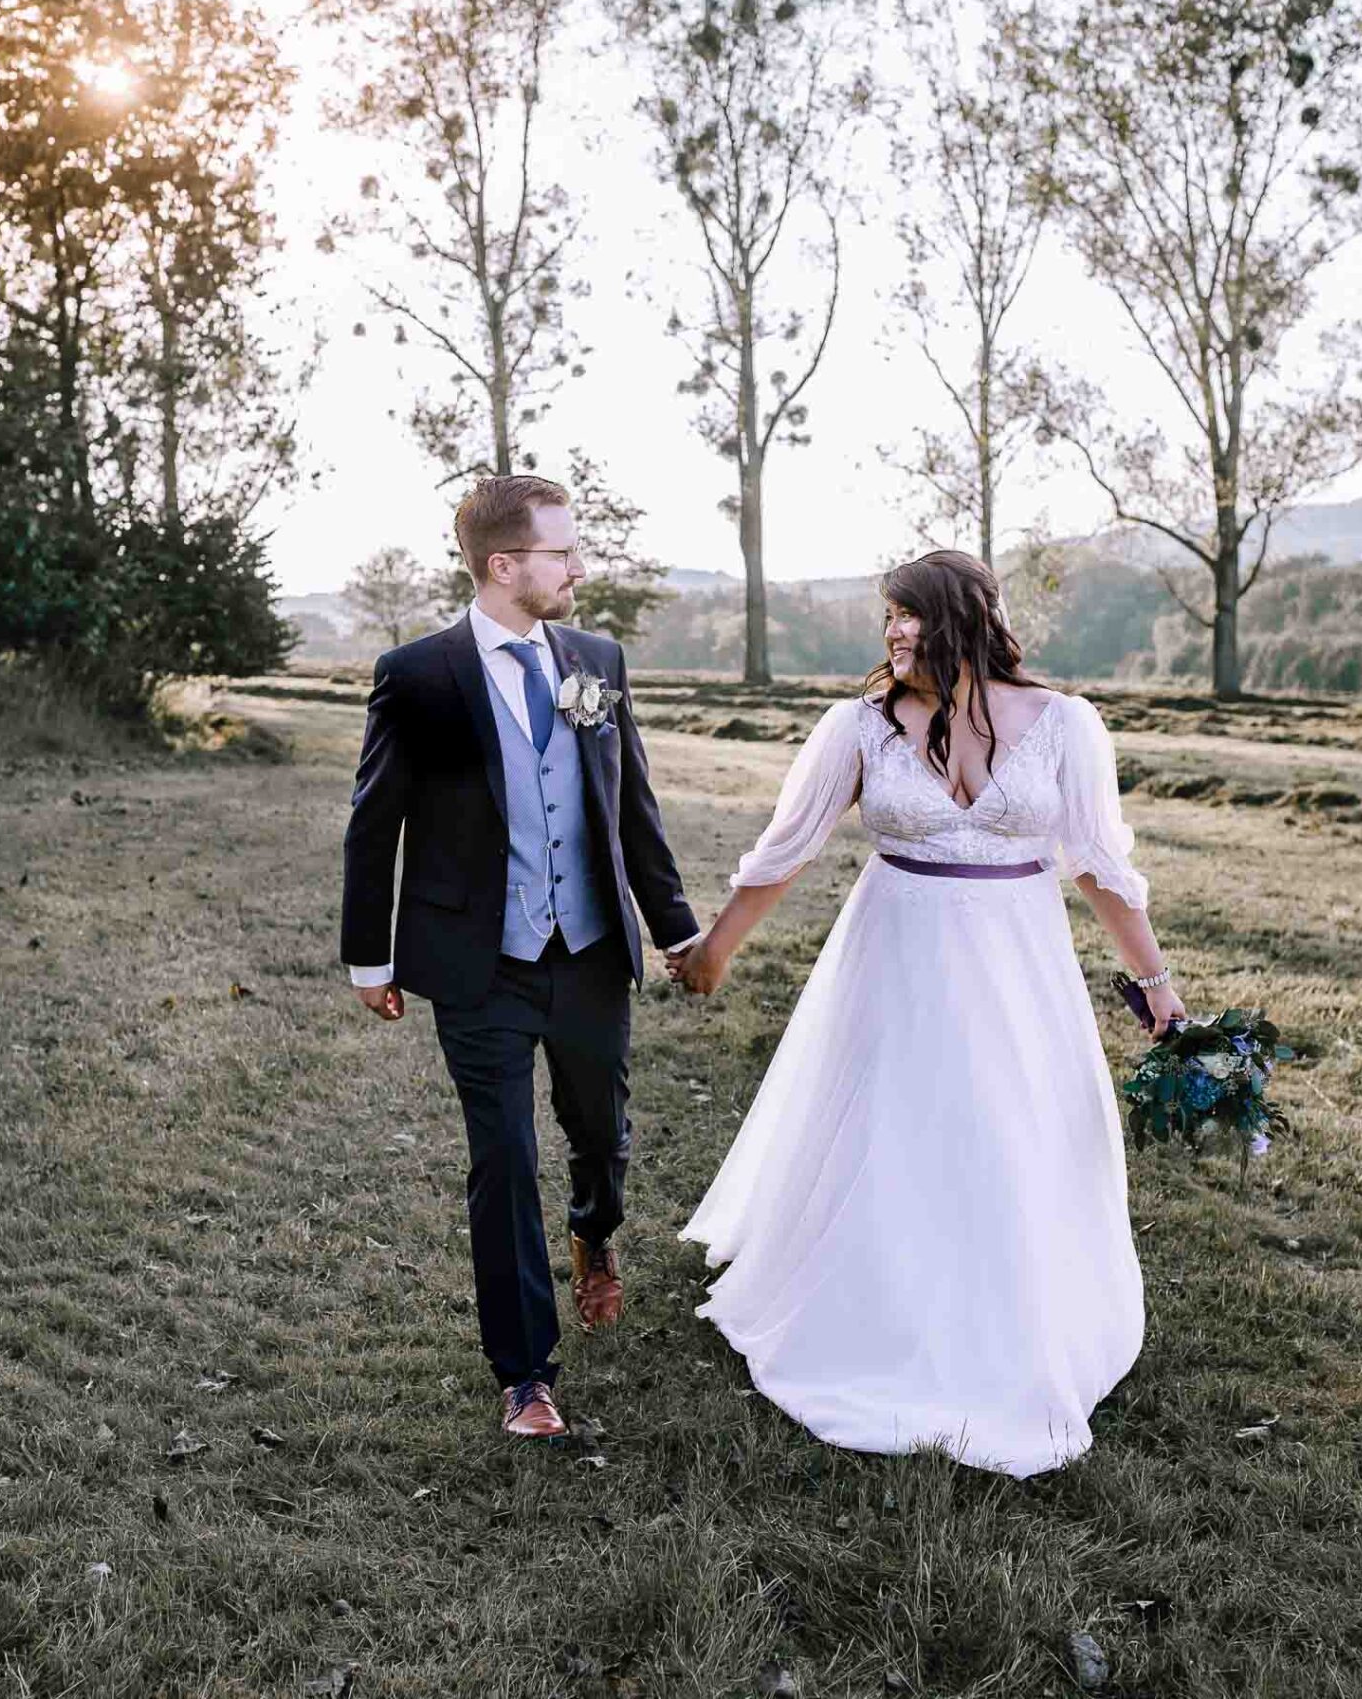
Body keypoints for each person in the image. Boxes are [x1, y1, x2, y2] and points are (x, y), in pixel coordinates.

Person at [667, 548, 1183, 1478]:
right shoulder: (859, 726)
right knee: (895, 1129)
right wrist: (716, 948)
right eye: (889, 616)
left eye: (910, 613)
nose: (895, 631)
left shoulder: (1066, 724)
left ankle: (1020, 1322)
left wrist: (1155, 983)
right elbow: (785, 850)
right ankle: (878, 1311)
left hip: (1019, 967)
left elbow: (1101, 867)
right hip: (894, 957)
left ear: (966, 620)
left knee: (1011, 1132)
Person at [340, 474, 702, 1441]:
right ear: (504, 566)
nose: (578, 568)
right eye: (561, 552)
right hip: (478, 960)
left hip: (588, 951)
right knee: (502, 1156)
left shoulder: (596, 660)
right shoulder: (418, 676)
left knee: (601, 1133)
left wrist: (676, 928)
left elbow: (632, 809)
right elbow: (375, 823)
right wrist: (369, 958)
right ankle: (526, 1375)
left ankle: (593, 1229)